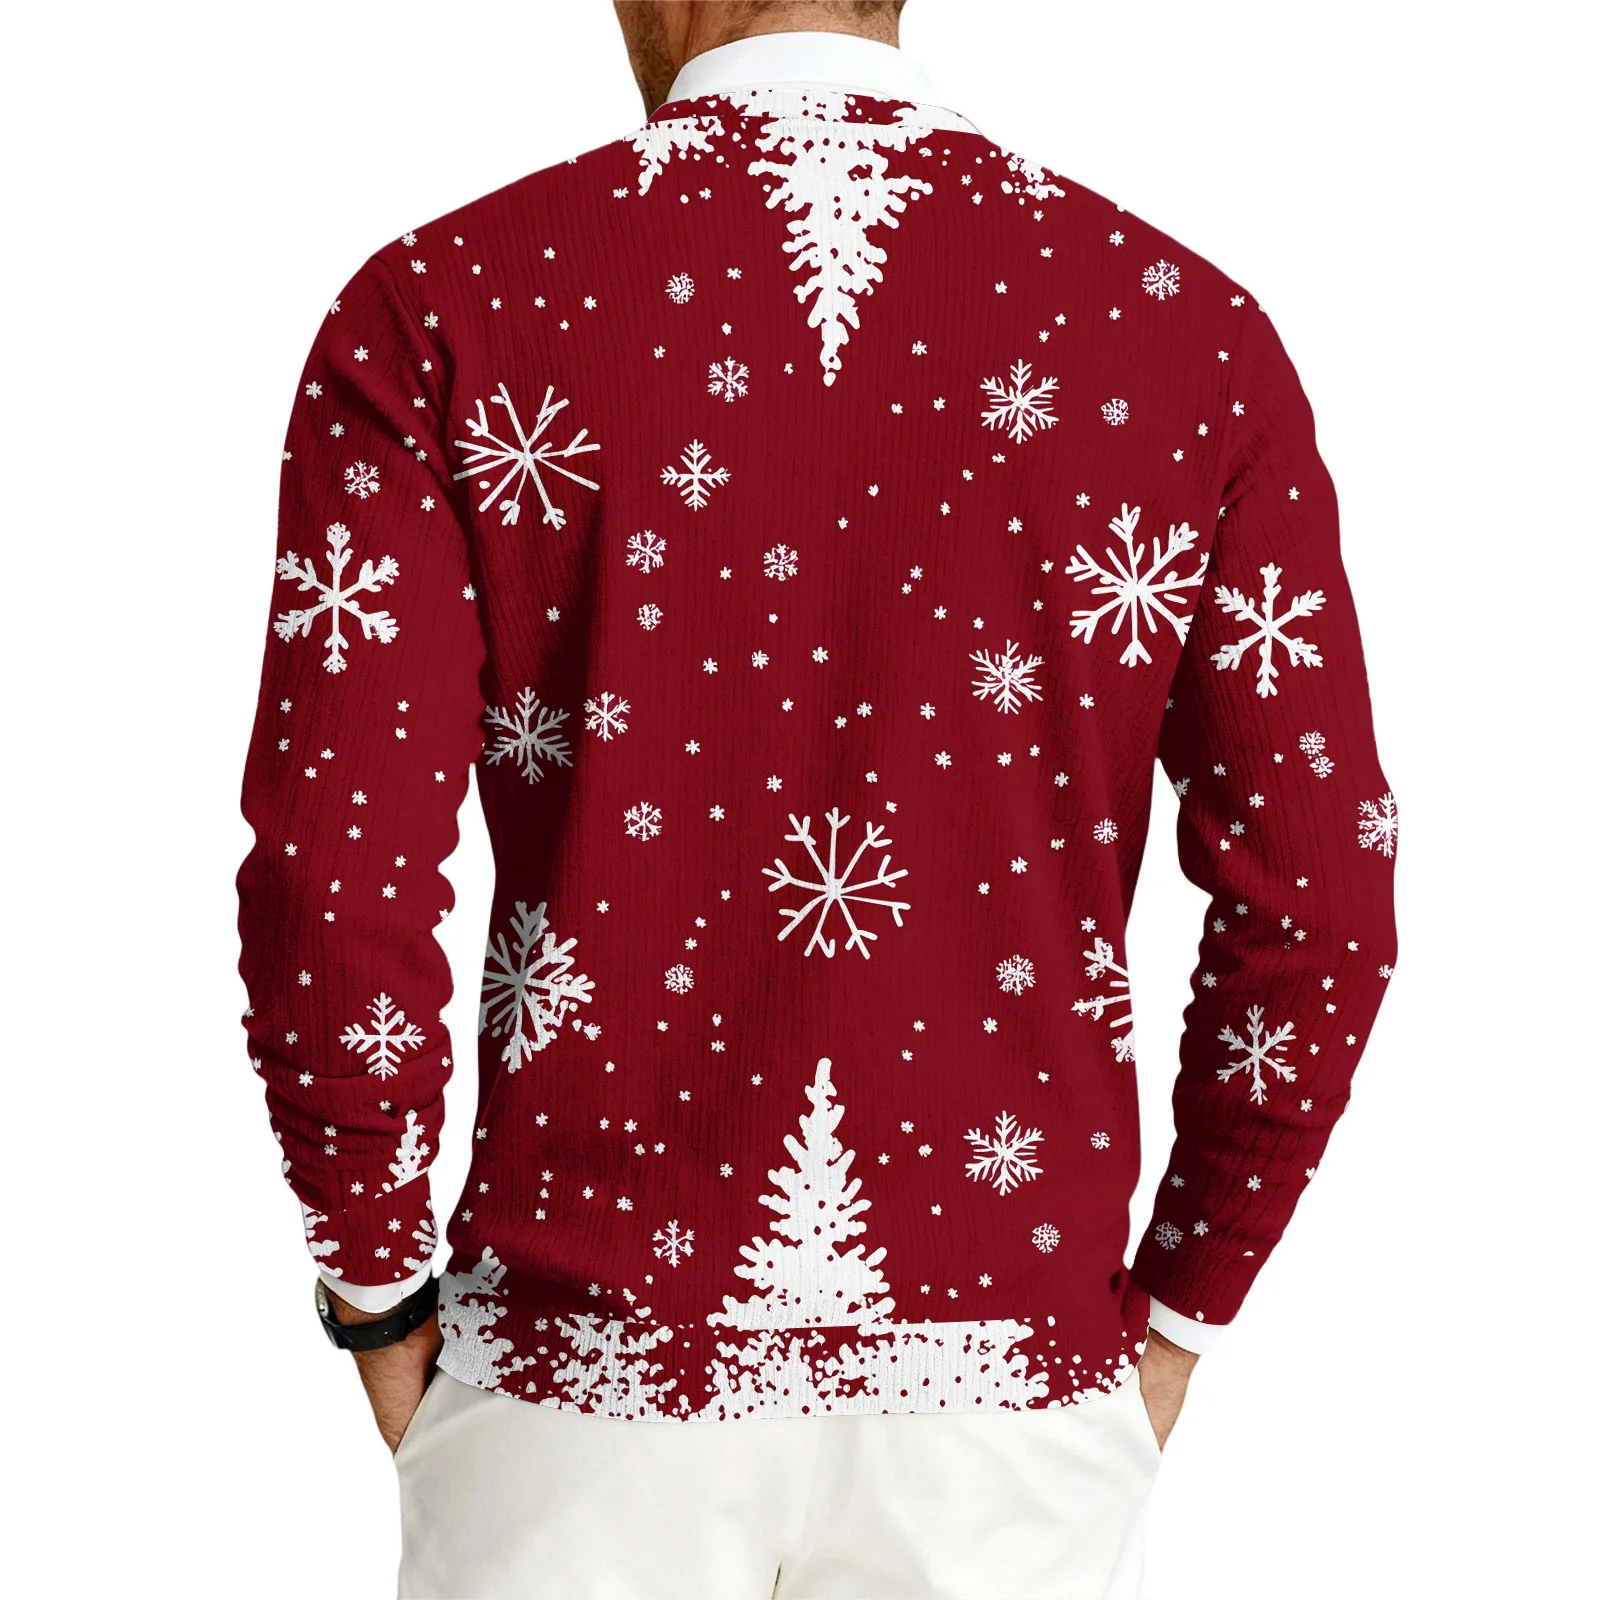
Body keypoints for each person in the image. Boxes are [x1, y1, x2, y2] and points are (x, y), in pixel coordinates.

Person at [236, 2, 1398, 1594]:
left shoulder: (447, 304)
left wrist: (374, 1287)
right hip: (1009, 1406)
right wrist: (1187, 1305)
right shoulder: (1187, 333)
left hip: (573, 1395)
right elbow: (1323, 900)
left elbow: (333, 874)